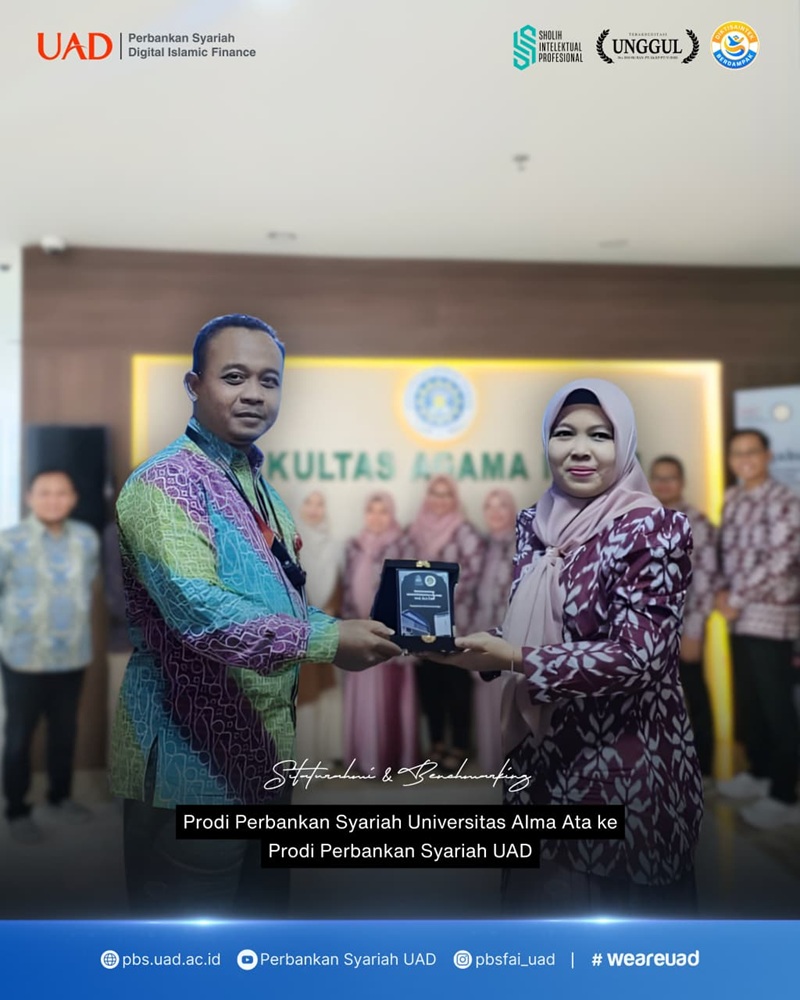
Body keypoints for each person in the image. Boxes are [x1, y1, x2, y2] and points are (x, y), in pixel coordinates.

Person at [111, 313, 401, 915]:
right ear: (194, 385)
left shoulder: (256, 486)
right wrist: (328, 641)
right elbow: (200, 612)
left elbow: (281, 604)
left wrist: (340, 634)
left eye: (269, 380)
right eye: (234, 376)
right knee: (189, 940)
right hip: (189, 759)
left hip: (263, 756)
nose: (254, 393)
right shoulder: (166, 483)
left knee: (259, 927)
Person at [427, 379, 703, 915]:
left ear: (625, 444)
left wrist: (515, 658)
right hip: (539, 763)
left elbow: (641, 657)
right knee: (538, 933)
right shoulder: (536, 524)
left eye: (600, 435)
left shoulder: (654, 527)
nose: (580, 449)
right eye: (564, 433)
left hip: (624, 766)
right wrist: (473, 652)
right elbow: (538, 629)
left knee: (622, 941)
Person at [1, 469, 99, 845]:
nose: (53, 500)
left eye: (61, 492)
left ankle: (60, 797)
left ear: (73, 498)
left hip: (71, 655)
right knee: (18, 736)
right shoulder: (8, 541)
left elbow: (87, 582)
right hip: (23, 657)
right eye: (44, 492)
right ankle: (17, 809)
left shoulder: (86, 539)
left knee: (64, 732)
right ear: (30, 498)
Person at [715, 428, 800, 829]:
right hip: (739, 616)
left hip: (772, 617)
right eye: (737, 453)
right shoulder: (732, 498)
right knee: (751, 702)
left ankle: (785, 794)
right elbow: (724, 552)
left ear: (767, 455)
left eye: (752, 452)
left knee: (777, 706)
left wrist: (736, 596)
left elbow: (782, 560)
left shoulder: (785, 500)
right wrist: (721, 593)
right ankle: (759, 772)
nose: (745, 459)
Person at [404, 475, 483, 773]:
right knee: (429, 685)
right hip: (419, 624)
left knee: (457, 684)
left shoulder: (465, 532)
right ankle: (437, 742)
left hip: (456, 624)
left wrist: (438, 597)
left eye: (446, 494)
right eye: (434, 494)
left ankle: (460, 744)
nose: (440, 500)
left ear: (454, 498)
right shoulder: (414, 531)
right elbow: (405, 572)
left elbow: (473, 574)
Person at [649, 455, 718, 782]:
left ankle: (703, 772)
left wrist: (694, 631)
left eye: (671, 478)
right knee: (651, 700)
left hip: (683, 627)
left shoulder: (697, 522)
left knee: (692, 696)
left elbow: (705, 579)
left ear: (682, 482)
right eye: (658, 478)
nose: (664, 484)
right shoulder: (641, 519)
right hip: (646, 629)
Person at [341, 491, 418, 773]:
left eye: (383, 511)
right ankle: (364, 758)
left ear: (392, 514)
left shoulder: (403, 544)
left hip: (390, 635)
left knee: (391, 697)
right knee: (363, 697)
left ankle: (392, 760)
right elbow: (348, 588)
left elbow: (410, 592)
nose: (376, 517)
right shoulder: (354, 546)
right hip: (358, 631)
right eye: (371, 511)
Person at [294, 489, 344, 766]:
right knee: (306, 690)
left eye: (319, 504)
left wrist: (331, 609)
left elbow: (339, 583)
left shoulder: (334, 547)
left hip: (328, 627)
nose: (314, 510)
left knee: (327, 686)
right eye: (308, 503)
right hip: (301, 629)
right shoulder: (290, 543)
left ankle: (327, 753)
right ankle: (306, 759)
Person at [470, 488, 517, 774]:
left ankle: (516, 769)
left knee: (511, 699)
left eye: (502, 506)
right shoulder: (481, 545)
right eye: (490, 506)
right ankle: (493, 764)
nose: (496, 512)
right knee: (487, 698)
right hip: (482, 633)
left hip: (514, 637)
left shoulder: (523, 544)